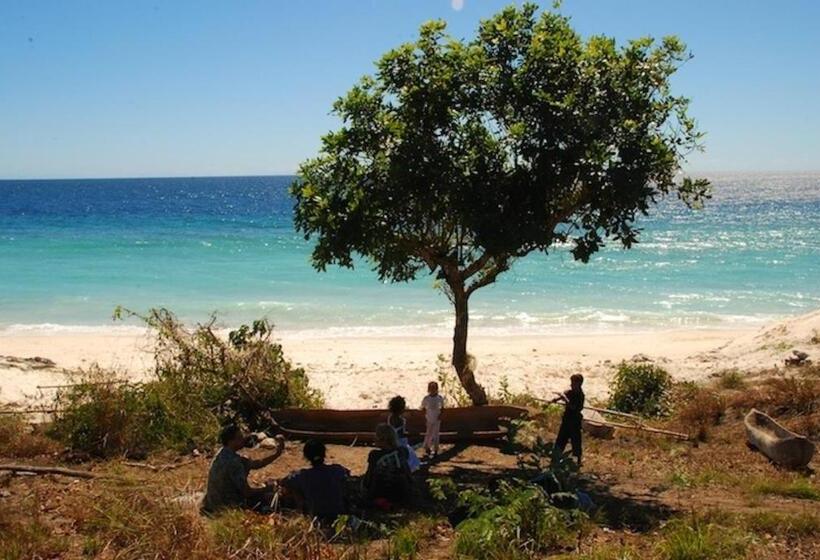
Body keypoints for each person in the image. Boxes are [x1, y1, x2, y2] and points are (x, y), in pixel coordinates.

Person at [201, 424, 285, 515]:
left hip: (213, 503)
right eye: (239, 438)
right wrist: (266, 489)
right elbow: (247, 492)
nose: (243, 440)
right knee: (270, 498)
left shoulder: (222, 453)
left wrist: (277, 454)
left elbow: (255, 464)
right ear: (231, 441)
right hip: (226, 507)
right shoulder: (234, 462)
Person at [280, 440, 350, 523]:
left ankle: (302, 511)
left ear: (306, 456)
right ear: (324, 454)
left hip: (316, 516)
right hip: (339, 515)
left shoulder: (302, 476)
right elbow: (347, 472)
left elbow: (284, 482)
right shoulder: (336, 470)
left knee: (294, 489)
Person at [363, 423, 413, 508]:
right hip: (401, 492)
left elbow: (369, 477)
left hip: (380, 492)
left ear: (381, 438)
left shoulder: (374, 455)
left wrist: (365, 488)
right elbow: (407, 471)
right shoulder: (403, 451)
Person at [550, 373, 585, 466]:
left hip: (575, 422)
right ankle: (555, 458)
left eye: (573, 383)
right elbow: (563, 395)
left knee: (576, 441)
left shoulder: (581, 396)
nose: (571, 384)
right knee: (561, 439)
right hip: (566, 420)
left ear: (579, 384)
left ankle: (578, 461)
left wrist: (565, 398)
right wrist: (556, 399)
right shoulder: (570, 392)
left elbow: (573, 407)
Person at [387, 395, 421, 472]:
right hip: (400, 442)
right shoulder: (400, 420)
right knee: (409, 457)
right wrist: (413, 435)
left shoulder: (390, 417)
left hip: (393, 440)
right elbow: (401, 434)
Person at [420, 381, 445, 458]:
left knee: (436, 434)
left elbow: (442, 408)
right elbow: (423, 408)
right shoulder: (426, 398)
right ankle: (427, 447)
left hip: (436, 418)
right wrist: (424, 417)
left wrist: (440, 415)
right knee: (429, 433)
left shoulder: (439, 398)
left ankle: (436, 449)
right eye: (431, 388)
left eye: (434, 388)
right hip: (429, 418)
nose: (433, 390)